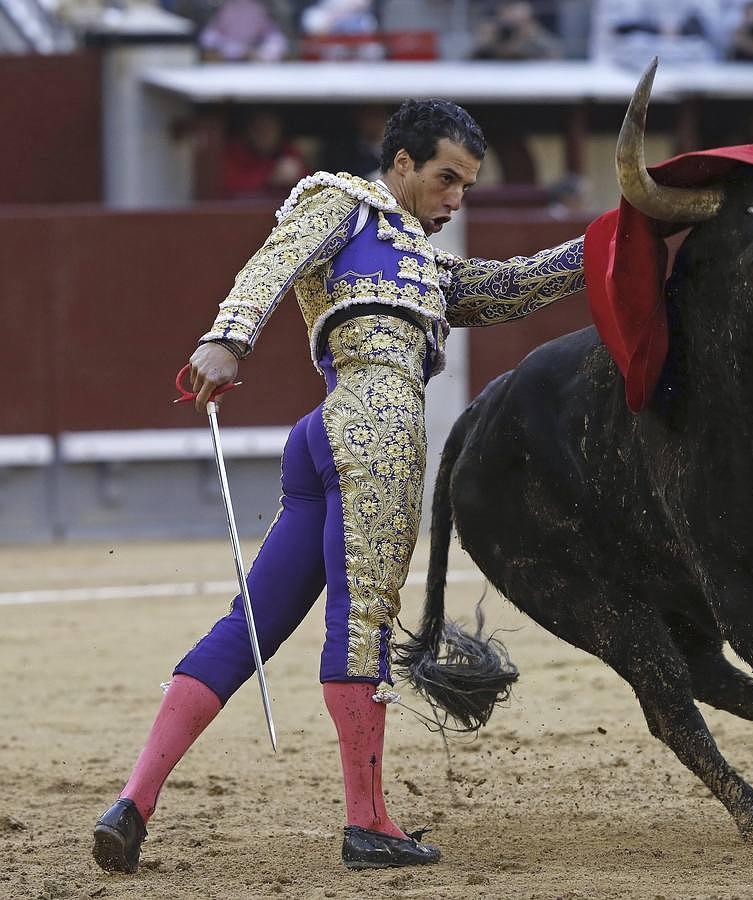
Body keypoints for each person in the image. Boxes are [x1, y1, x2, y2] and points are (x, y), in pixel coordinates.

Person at [91, 99, 585, 873]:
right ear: (400, 166)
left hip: (323, 436)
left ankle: (133, 802)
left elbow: (507, 286)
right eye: (446, 179)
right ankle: (369, 823)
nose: (456, 199)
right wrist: (227, 337)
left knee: (250, 625)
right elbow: (275, 258)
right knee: (361, 625)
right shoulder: (344, 202)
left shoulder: (423, 264)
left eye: (467, 186)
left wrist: (609, 246)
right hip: (376, 424)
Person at [223, 109, 310, 200]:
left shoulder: (288, 152)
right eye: (260, 129)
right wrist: (269, 176)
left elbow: (311, 184)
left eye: (270, 129)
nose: (265, 134)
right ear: (249, 131)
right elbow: (232, 186)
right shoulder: (237, 153)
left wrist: (299, 175)